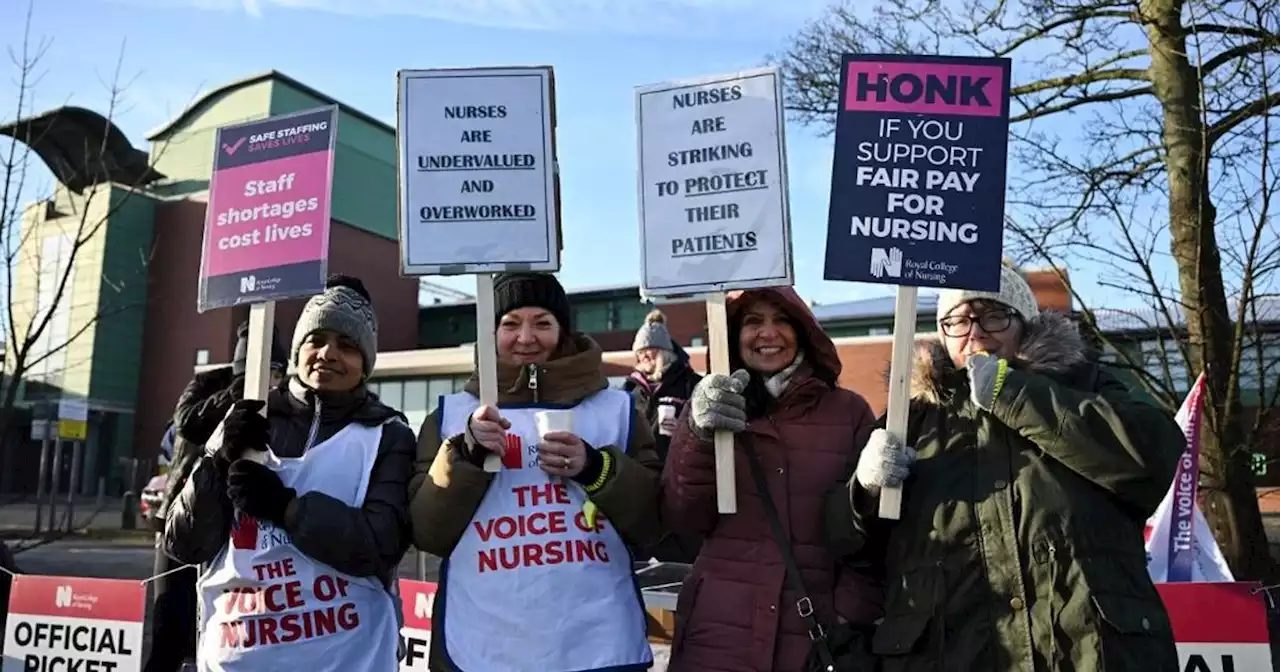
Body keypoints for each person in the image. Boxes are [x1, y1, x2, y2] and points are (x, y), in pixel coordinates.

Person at [844, 261, 1183, 670]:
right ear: (942, 335)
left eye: (994, 315)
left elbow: (1154, 455)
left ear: (1023, 323)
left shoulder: (1083, 383)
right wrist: (865, 489)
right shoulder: (909, 418)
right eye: (957, 321)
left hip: (1088, 653)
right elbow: (845, 542)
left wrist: (1014, 394)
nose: (976, 332)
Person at [409, 272, 664, 672]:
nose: (525, 338)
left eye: (542, 323)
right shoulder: (451, 416)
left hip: (596, 642)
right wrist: (467, 457)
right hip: (482, 645)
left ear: (563, 331)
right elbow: (428, 533)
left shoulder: (618, 409)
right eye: (510, 324)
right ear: (490, 333)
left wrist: (597, 469)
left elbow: (653, 522)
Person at [165, 275, 415, 672]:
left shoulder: (387, 435)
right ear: (298, 349)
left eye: (348, 345)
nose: (328, 354)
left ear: (366, 362)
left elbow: (378, 545)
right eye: (316, 340)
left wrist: (286, 509)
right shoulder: (249, 418)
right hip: (240, 658)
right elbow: (183, 543)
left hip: (348, 658)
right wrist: (216, 460)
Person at [661, 287, 881, 672]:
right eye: (752, 322)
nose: (768, 333)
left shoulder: (848, 412)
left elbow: (875, 536)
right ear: (733, 335)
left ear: (803, 331)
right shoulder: (708, 407)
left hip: (814, 639)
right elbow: (684, 517)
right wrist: (695, 434)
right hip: (720, 636)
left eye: (781, 320)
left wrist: (847, 613)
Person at [144, 324, 287, 672]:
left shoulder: (281, 398)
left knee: (231, 634)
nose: (271, 380)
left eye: (277, 373)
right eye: (265, 371)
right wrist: (238, 391)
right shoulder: (209, 383)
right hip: (186, 517)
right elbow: (187, 423)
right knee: (170, 629)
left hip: (240, 529)